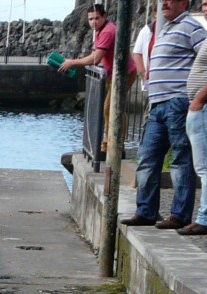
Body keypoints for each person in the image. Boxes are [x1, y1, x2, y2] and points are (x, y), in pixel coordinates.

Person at [122, 0, 207, 229]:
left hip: (178, 102)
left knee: (181, 159)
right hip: (157, 103)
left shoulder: (192, 27)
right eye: (162, 0)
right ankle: (146, 211)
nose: (164, 3)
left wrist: (198, 96)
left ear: (184, 3)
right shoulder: (164, 28)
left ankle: (179, 215)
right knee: (147, 158)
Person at [59, 3, 138, 145]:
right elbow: (94, 54)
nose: (93, 22)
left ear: (104, 17)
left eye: (96, 18)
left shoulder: (107, 31)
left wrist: (72, 62)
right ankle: (112, 142)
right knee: (112, 108)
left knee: (111, 107)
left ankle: (114, 144)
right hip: (113, 73)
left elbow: (96, 58)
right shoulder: (100, 30)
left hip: (123, 73)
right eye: (90, 19)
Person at [180, 38, 207, 234]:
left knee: (204, 167)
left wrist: (199, 98)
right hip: (199, 107)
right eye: (204, 4)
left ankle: (204, 219)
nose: (205, 8)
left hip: (202, 108)